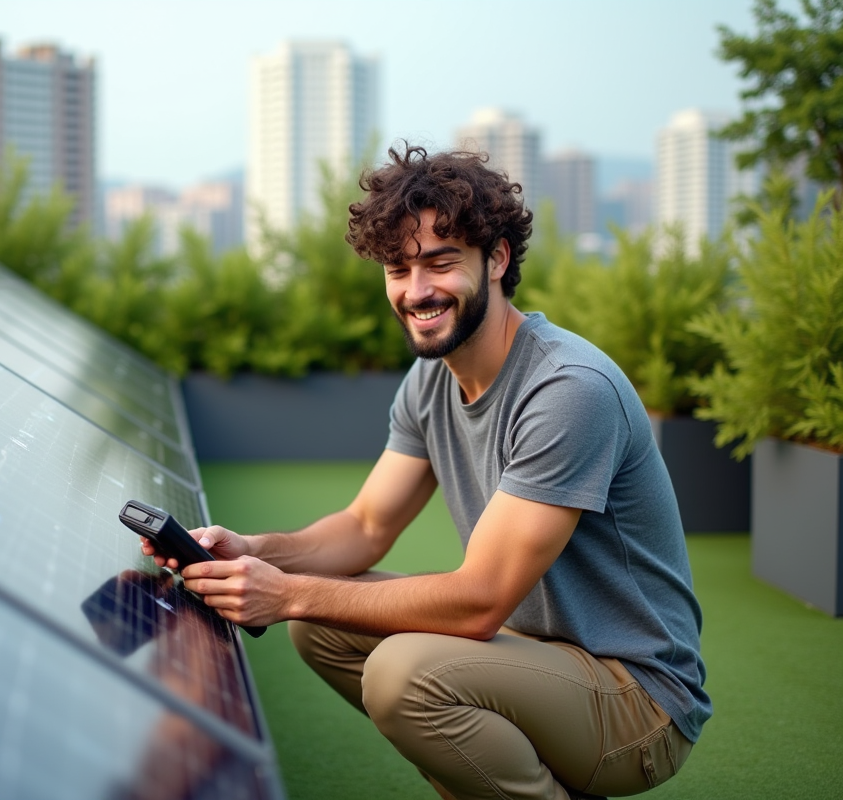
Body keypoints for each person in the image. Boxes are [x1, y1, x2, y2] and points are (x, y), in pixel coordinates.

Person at [142, 144, 711, 800]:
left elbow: (481, 600)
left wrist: (287, 591)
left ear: (497, 259)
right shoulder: (431, 380)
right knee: (322, 625)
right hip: (536, 658)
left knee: (402, 674)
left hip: (638, 698)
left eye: (441, 263)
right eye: (398, 269)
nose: (417, 292)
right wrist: (254, 551)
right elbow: (365, 526)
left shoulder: (567, 388)